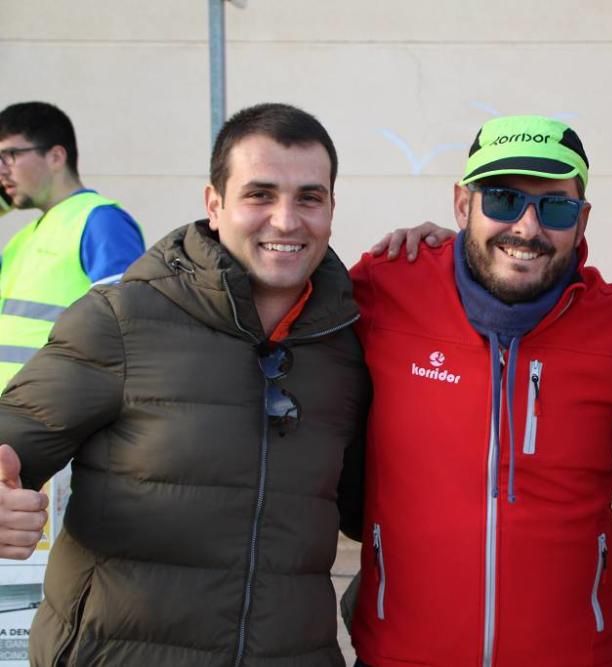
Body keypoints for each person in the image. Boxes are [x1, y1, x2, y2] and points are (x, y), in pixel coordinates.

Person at [0, 103, 369, 666]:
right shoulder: (122, 318)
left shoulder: (351, 344)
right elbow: (13, 438)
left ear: (331, 209)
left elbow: (374, 508)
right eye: (259, 194)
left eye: (309, 198)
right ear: (214, 205)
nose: (287, 220)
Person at [348, 115, 612, 667]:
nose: (526, 227)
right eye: (500, 199)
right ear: (461, 204)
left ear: (582, 219)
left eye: (556, 207)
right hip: (402, 654)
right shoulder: (385, 289)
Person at [0, 102, 145, 386]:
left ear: (55, 156)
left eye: (10, 155)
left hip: (55, 418)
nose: (2, 170)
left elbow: (128, 328)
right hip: (15, 417)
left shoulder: (100, 221)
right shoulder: (22, 239)